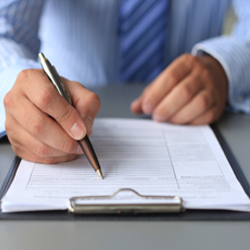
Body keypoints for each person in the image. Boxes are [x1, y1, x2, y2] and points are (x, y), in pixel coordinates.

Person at [0, 0, 249, 164]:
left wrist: (224, 66)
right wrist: (19, 86)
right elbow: (5, 27)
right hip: (62, 111)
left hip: (199, 119)